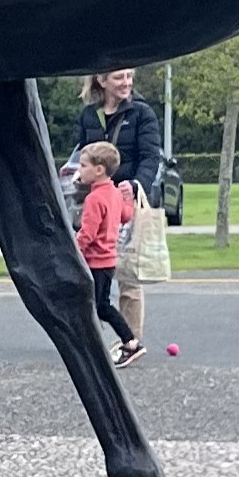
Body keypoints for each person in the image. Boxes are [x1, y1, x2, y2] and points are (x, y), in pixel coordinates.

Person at [75, 66, 163, 342]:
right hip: (97, 201)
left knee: (128, 273)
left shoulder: (141, 113)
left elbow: (151, 157)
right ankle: (93, 338)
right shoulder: (90, 115)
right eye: (119, 77)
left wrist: (136, 185)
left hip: (126, 201)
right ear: (101, 80)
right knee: (91, 268)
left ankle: (130, 339)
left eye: (129, 77)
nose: (126, 83)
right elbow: (84, 154)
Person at [73, 142, 143, 369]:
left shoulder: (94, 199)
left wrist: (74, 252)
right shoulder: (113, 193)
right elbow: (125, 216)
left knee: (99, 306)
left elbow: (88, 234)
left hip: (94, 261)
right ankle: (98, 344)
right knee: (96, 304)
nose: (79, 170)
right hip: (108, 260)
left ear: (99, 169)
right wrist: (128, 200)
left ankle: (130, 342)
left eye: (83, 165)